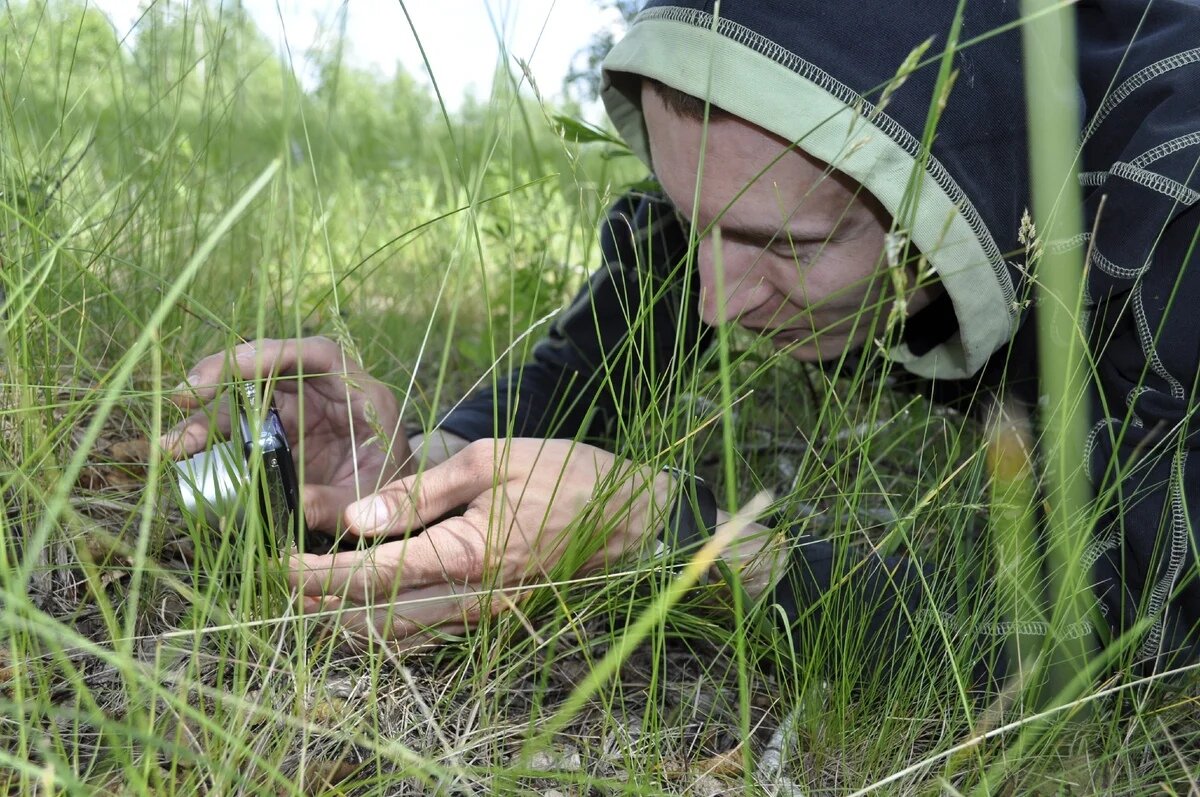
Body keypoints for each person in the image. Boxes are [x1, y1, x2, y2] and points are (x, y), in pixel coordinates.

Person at [164, 1, 1200, 673]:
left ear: (946, 202)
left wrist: (685, 542)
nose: (713, 301)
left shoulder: (1169, 212)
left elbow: (1136, 627)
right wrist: (426, 465)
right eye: (690, 218)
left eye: (781, 244)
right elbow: (591, 369)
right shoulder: (750, 181)